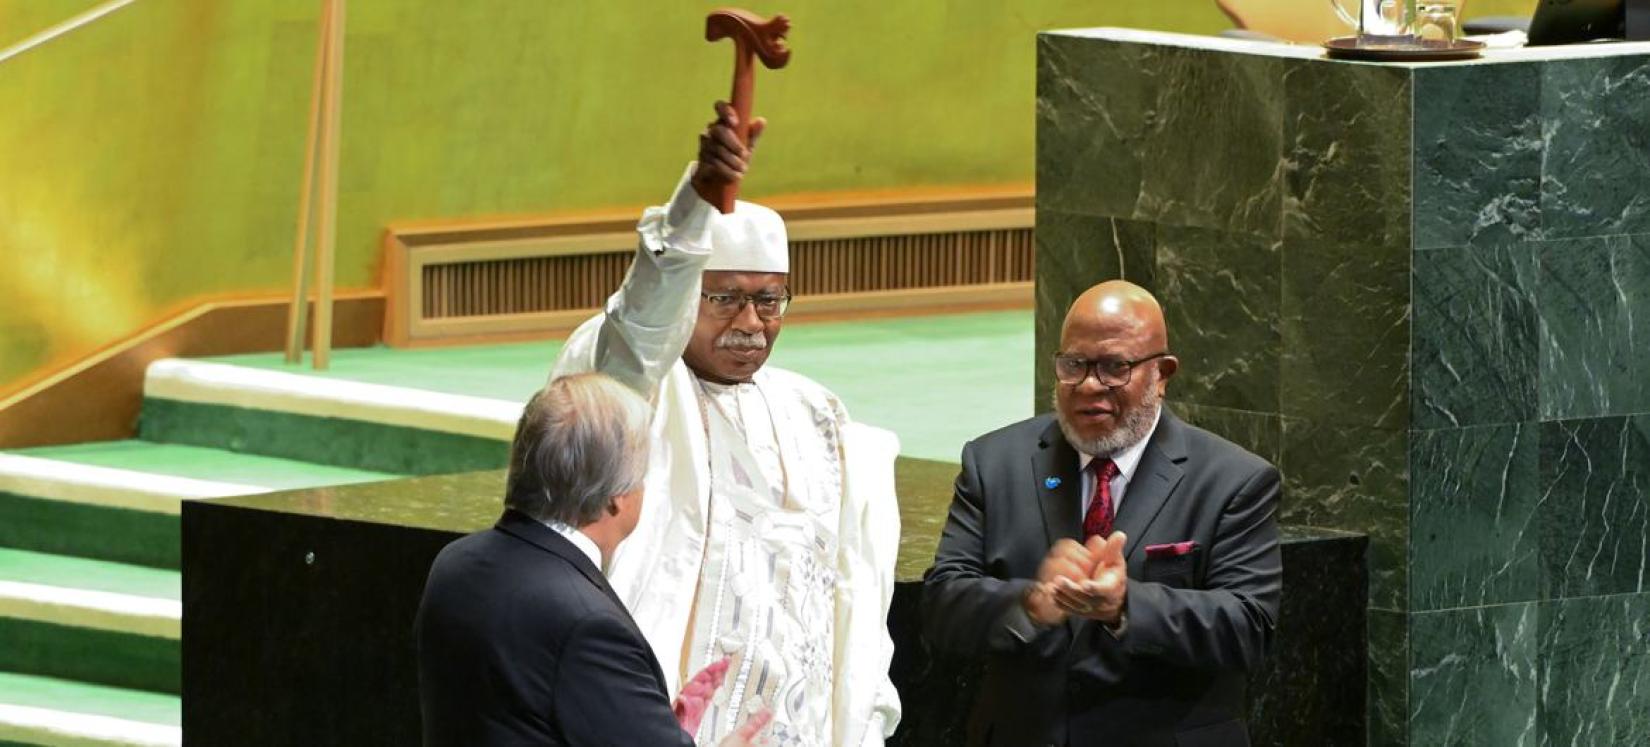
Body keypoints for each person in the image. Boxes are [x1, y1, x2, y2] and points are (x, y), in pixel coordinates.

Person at [549, 102, 902, 746]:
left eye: (769, 300)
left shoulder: (815, 413)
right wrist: (694, 207)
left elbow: (854, 595)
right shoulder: (635, 393)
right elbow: (639, 328)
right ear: (689, 295)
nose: (749, 322)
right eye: (724, 297)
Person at [922, 280, 1282, 746]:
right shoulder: (994, 463)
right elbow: (941, 606)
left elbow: (1248, 626)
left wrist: (1126, 606)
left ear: (1163, 373)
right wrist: (1032, 603)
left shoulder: (1233, 480)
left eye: (1115, 367)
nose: (1090, 385)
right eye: (1074, 365)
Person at [415, 373, 770, 746]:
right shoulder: (587, 624)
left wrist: (645, 720)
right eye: (643, 477)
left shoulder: (454, 564)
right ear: (616, 497)